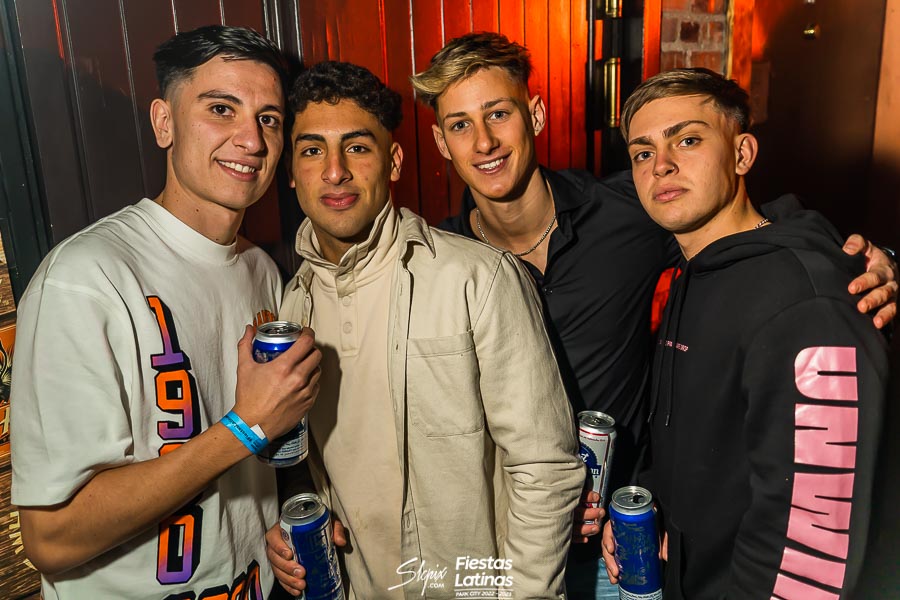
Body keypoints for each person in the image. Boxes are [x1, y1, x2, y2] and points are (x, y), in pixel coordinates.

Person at [409, 32, 897, 598]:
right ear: (441, 142)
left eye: (498, 113)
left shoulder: (629, 211)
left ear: (535, 116)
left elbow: (749, 226)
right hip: (511, 541)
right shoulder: (437, 264)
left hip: (627, 537)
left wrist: (863, 260)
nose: (484, 141)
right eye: (460, 124)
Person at [10, 25, 322, 599]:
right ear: (164, 123)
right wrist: (245, 427)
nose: (251, 140)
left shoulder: (261, 271)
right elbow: (52, 539)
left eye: (269, 119)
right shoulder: (86, 278)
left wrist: (274, 526)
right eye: (221, 109)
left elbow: (249, 479)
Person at [265, 60, 584, 599]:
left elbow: (544, 467)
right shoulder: (290, 306)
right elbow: (306, 461)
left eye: (357, 147)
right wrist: (293, 516)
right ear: (291, 171)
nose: (335, 172)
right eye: (312, 150)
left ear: (393, 162)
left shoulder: (478, 277)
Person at [601, 67, 888, 599]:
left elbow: (811, 550)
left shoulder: (808, 303)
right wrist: (650, 502)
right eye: (642, 152)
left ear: (742, 154)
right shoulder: (696, 270)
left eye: (687, 140)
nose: (661, 165)